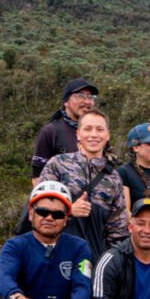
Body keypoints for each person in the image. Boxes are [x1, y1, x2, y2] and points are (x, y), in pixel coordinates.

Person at [39, 109, 130, 259]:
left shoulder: (113, 178)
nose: (93, 134)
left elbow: (117, 232)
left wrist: (111, 263)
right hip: (53, 255)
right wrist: (68, 210)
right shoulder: (58, 164)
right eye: (87, 129)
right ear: (78, 134)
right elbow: (38, 209)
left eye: (99, 129)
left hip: (94, 260)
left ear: (107, 135)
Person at [30, 77, 102, 183]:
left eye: (90, 97)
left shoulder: (98, 134)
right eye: (80, 96)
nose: (87, 101)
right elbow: (37, 177)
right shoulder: (50, 132)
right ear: (66, 102)